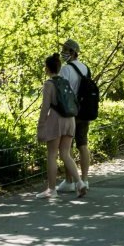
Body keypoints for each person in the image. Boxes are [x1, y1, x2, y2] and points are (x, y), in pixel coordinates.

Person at [37, 53, 85, 199]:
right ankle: (79, 183)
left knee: (52, 154)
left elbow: (45, 108)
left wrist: (40, 127)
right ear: (58, 67)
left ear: (47, 68)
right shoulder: (65, 81)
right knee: (65, 154)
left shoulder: (49, 84)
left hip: (56, 121)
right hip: (70, 120)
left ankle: (51, 190)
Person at [57, 39, 92, 193]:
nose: (63, 52)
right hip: (85, 111)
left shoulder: (65, 69)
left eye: (65, 49)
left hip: (70, 112)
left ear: (72, 52)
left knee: (67, 146)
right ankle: (84, 179)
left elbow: (61, 91)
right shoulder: (86, 68)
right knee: (83, 144)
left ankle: (69, 181)